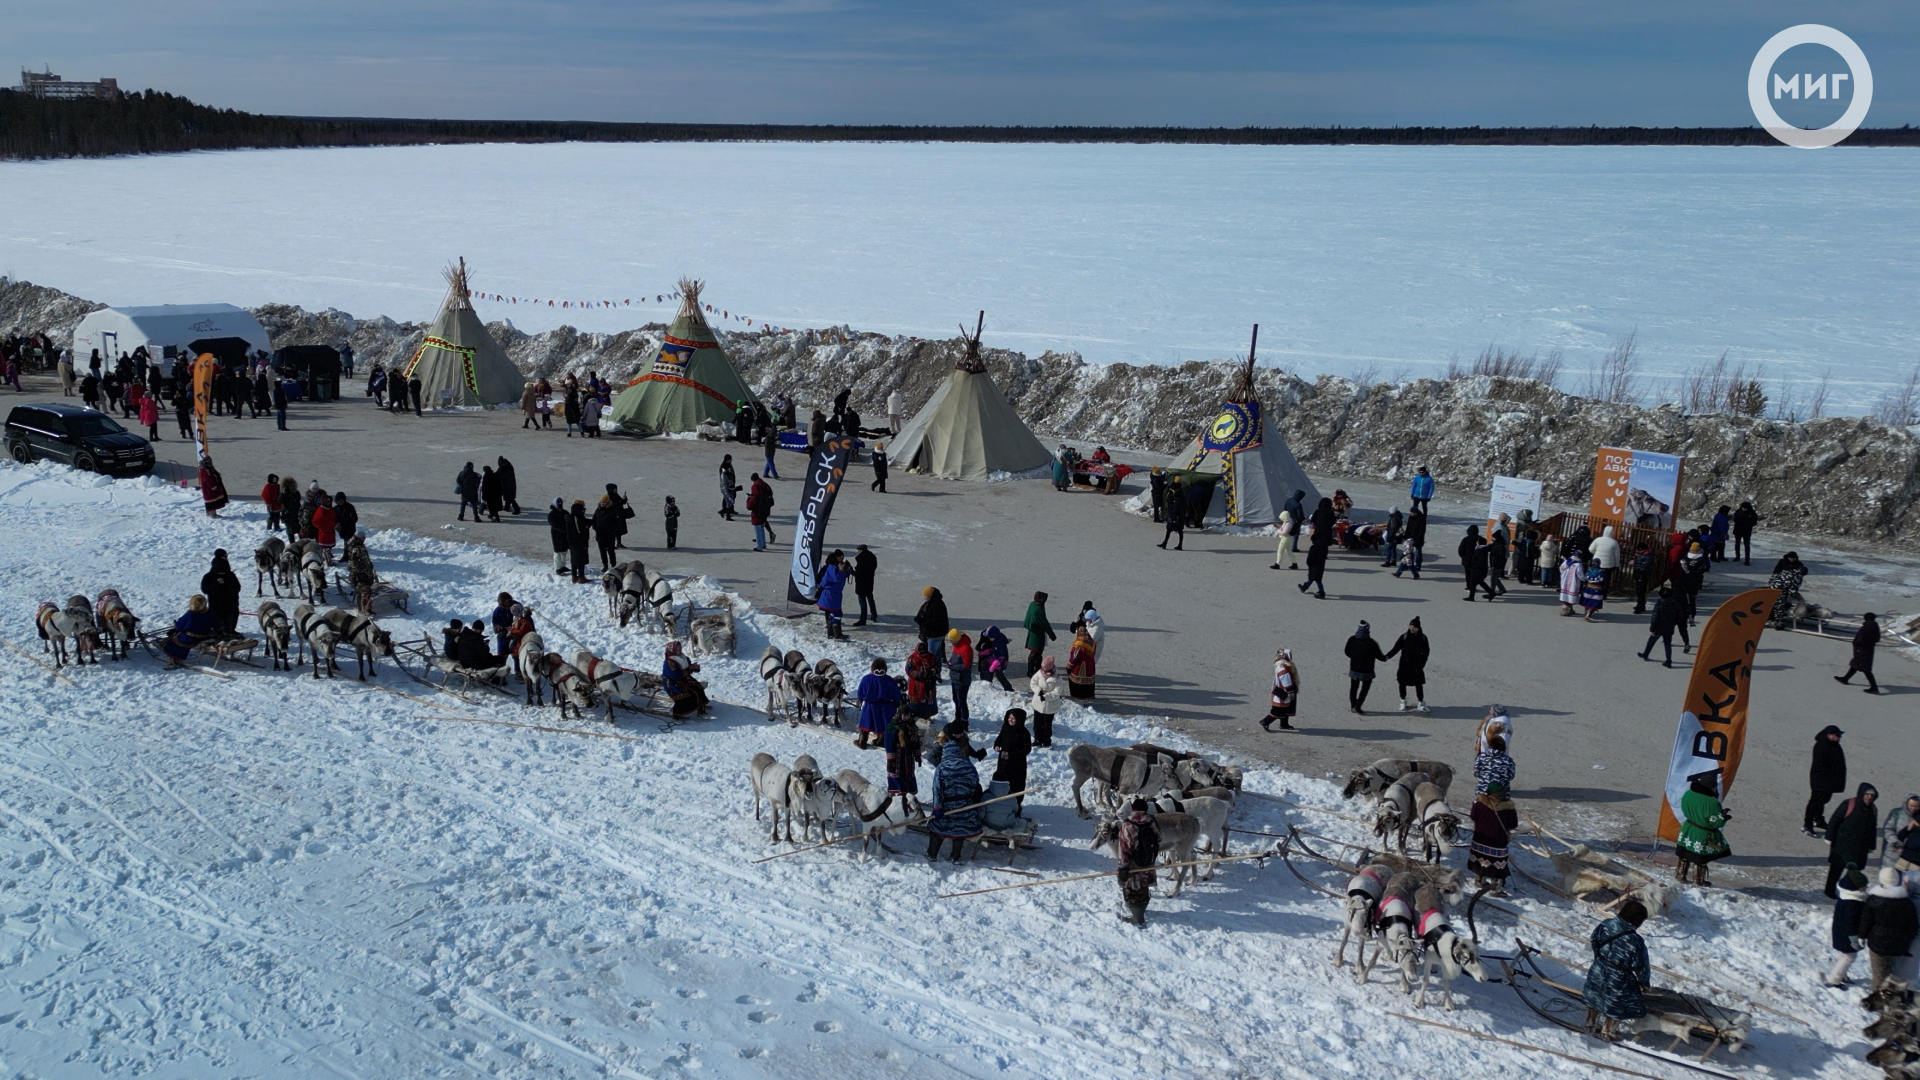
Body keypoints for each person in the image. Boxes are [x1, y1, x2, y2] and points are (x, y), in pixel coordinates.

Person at [1582, 900, 1652, 1040]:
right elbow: (1641, 965)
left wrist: (1600, 959)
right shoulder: (1635, 940)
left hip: (1598, 968)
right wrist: (1644, 982)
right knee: (1616, 1003)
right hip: (1618, 977)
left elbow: (1594, 940)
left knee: (1595, 996)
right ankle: (1608, 1032)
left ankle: (1590, 1024)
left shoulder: (1606, 924)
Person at [927, 723, 984, 863]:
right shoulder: (969, 767)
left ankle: (932, 854)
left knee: (938, 831)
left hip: (947, 805)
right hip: (964, 805)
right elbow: (975, 784)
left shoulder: (942, 769)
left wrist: (937, 808)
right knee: (960, 830)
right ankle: (955, 857)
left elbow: (937, 790)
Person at [1858, 868, 1919, 991]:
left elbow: (1866, 921)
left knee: (1879, 974)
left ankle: (1878, 999)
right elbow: (1913, 927)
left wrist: (1861, 936)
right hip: (1898, 947)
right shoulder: (1907, 903)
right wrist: (1906, 941)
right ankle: (1895, 994)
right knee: (1895, 972)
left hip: (1877, 945)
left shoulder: (1873, 900)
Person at [1674, 770, 1731, 887]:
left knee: (1685, 853)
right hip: (1702, 832)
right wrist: (1724, 817)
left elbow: (1684, 808)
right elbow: (1716, 822)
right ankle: (1698, 881)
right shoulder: (1712, 802)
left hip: (1688, 828)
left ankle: (1680, 875)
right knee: (1701, 858)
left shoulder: (1688, 794)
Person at [1828, 783, 1881, 898]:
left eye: (1872, 795)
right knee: (1836, 868)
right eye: (1867, 794)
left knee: (1854, 870)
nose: (1869, 797)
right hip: (1842, 843)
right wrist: (1829, 837)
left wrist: (1871, 845)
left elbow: (1872, 828)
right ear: (1861, 794)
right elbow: (1835, 819)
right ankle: (1829, 890)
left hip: (1861, 846)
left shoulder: (1873, 809)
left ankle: (1848, 890)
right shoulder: (1849, 804)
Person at [1115, 798, 1161, 927]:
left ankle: (1138, 919)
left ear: (1133, 810)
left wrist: (1123, 868)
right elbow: (1159, 838)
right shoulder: (1152, 821)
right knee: (1143, 888)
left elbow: (1124, 848)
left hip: (1133, 865)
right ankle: (1141, 911)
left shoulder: (1127, 825)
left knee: (1132, 890)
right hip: (1148, 862)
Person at [1468, 780, 1519, 894]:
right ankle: (1495, 888)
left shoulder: (1479, 804)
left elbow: (1473, 816)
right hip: (1498, 843)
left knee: (1480, 859)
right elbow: (1513, 824)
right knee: (1497, 865)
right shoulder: (1509, 808)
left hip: (1479, 841)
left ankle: (1479, 880)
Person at [1826, 864, 1871, 987]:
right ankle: (1834, 979)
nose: (1866, 888)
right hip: (1847, 937)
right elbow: (1851, 923)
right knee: (1848, 957)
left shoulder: (1846, 898)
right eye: (1863, 887)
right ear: (1855, 888)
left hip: (1841, 934)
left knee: (1844, 956)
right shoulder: (1852, 904)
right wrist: (1854, 939)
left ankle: (1842, 975)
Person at [1805, 725, 1847, 837]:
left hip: (1829, 781)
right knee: (1815, 802)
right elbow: (1821, 766)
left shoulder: (1833, 745)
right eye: (1837, 735)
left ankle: (1818, 819)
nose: (1839, 737)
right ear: (1829, 735)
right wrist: (1827, 778)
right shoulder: (1822, 746)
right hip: (1821, 780)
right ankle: (1807, 825)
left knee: (1824, 800)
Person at [1383, 617, 1431, 713]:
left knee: (1419, 684)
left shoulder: (1423, 638)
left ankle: (1421, 703)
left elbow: (1426, 652)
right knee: (1402, 683)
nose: (1412, 628)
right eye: (1410, 626)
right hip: (1404, 664)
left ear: (1418, 627)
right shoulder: (1404, 637)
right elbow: (1396, 648)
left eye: (1414, 627)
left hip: (1417, 665)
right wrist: (1387, 657)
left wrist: (1422, 664)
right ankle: (1403, 701)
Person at [1635, 585, 1691, 667]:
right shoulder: (1675, 605)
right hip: (1669, 627)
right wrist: (1673, 622)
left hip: (1659, 627)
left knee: (1651, 641)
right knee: (1667, 644)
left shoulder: (1659, 605)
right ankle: (1668, 660)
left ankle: (1646, 654)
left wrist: (1652, 628)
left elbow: (1655, 618)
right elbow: (1680, 616)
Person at [855, 658, 900, 750]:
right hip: (886, 707)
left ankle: (862, 741)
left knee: (866, 723)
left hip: (870, 706)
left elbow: (860, 693)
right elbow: (896, 696)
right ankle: (881, 741)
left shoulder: (866, 679)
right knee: (884, 724)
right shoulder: (890, 680)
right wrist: (896, 704)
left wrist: (861, 700)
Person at [993, 709, 1033, 811]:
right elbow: (1000, 737)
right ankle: (1000, 804)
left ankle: (1016, 805)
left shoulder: (1024, 733)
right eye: (1009, 718)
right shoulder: (1005, 727)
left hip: (1017, 764)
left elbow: (1026, 749)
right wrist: (997, 744)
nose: (1011, 720)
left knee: (1016, 785)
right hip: (1003, 762)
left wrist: (1011, 755)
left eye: (1013, 718)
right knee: (1002, 782)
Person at [161, 595, 216, 668]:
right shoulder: (209, 613)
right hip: (205, 636)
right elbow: (217, 625)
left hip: (190, 638)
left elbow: (179, 626)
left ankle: (175, 659)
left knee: (174, 640)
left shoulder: (190, 614)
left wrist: (177, 626)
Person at [1343, 620, 1386, 714]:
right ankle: (1358, 707)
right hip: (1368, 670)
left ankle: (1353, 705)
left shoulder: (1352, 639)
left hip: (1354, 668)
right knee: (1365, 688)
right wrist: (1386, 658)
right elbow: (1380, 656)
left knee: (1353, 688)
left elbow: (1346, 651)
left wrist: (1354, 658)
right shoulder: (1372, 642)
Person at [1835, 613, 1882, 694]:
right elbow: (1877, 639)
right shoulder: (1875, 627)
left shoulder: (1865, 628)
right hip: (1869, 650)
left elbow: (1859, 640)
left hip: (1862, 650)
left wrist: (1856, 644)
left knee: (1865, 669)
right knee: (1855, 664)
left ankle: (1874, 687)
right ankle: (1845, 678)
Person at [1297, 497, 1335, 598]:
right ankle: (1306, 586)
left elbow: (1313, 520)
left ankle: (1317, 591)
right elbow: (1333, 522)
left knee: (1314, 574)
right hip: (1325, 539)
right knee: (1317, 574)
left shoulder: (1318, 511)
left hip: (1319, 536)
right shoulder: (1331, 512)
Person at [199, 550, 243, 638]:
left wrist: (228, 591)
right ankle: (217, 633)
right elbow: (205, 590)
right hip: (216, 603)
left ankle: (230, 631)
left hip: (230, 602)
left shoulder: (230, 575)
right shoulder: (209, 576)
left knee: (232, 617)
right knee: (217, 619)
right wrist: (216, 584)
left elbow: (237, 587)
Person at [661, 640, 709, 717]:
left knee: (698, 687)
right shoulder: (669, 662)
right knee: (686, 694)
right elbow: (675, 675)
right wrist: (689, 669)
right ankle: (677, 714)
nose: (680, 651)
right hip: (672, 683)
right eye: (678, 649)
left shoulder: (682, 657)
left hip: (684, 679)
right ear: (673, 650)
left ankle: (700, 708)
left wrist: (694, 667)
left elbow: (688, 666)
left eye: (680, 648)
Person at [1262, 648, 1299, 732]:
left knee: (1286, 709)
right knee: (1279, 710)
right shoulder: (1283, 669)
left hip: (1279, 691)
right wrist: (1290, 692)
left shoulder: (1281, 666)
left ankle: (1284, 724)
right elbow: (1286, 681)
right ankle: (1265, 721)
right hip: (1282, 692)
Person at [1028, 655, 1062, 747]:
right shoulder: (1039, 673)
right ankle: (1037, 739)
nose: (1043, 670)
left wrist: (1046, 696)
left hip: (1050, 706)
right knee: (1037, 724)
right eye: (1042, 667)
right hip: (1038, 704)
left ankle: (1047, 741)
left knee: (1047, 726)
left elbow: (1057, 692)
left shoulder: (1057, 678)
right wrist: (1038, 691)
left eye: (1045, 668)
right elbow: (1033, 683)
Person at [1767, 551, 1808, 627]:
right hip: (1779, 589)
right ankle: (1778, 623)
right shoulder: (1798, 577)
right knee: (1780, 605)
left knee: (1771, 603)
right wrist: (1798, 597)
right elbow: (1792, 591)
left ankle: (1768, 616)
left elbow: (1775, 575)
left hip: (1772, 586)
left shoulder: (1787, 571)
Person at [916, 587, 950, 674]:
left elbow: (933, 622)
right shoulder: (933, 603)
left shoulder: (936, 606)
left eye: (926, 596)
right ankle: (937, 673)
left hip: (935, 635)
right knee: (937, 654)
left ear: (931, 596)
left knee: (931, 657)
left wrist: (921, 621)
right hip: (937, 634)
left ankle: (932, 675)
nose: (925, 598)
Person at [817, 550, 849, 639]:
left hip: (834, 594)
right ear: (837, 557)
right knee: (837, 613)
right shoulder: (832, 567)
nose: (842, 559)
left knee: (834, 613)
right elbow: (836, 578)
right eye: (841, 557)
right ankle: (837, 635)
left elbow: (842, 576)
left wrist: (847, 570)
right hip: (831, 594)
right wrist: (842, 570)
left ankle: (831, 633)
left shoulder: (835, 566)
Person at [1023, 591, 1055, 677]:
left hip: (1032, 632)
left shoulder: (1032, 605)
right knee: (1036, 653)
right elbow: (1044, 622)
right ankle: (1032, 671)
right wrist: (1051, 634)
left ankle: (1032, 670)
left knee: (1035, 653)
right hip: (1037, 635)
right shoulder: (1039, 609)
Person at [946, 628, 973, 720]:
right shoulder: (956, 645)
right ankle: (958, 718)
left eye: (951, 640)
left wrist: (952, 666)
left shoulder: (966, 649)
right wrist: (950, 661)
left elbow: (966, 666)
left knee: (961, 702)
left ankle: (964, 720)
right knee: (956, 700)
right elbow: (954, 658)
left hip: (962, 680)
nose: (950, 642)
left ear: (957, 639)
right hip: (955, 678)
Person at [976, 625, 1014, 692]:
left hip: (1001, 661)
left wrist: (993, 667)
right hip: (995, 656)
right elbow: (993, 650)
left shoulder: (1000, 644)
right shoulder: (996, 640)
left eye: (989, 637)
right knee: (984, 663)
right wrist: (983, 652)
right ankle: (987, 681)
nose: (989, 638)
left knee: (999, 675)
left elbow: (1001, 657)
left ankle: (1008, 688)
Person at [1887, 795, 1920, 871]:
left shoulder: (1917, 817)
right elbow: (1888, 831)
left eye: (1916, 806)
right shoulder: (1897, 813)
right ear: (1906, 804)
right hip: (1892, 854)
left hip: (1907, 860)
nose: (1913, 808)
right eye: (1911, 805)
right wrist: (1897, 845)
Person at [1393, 507, 1427, 579]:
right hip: (1410, 538)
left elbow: (1421, 531)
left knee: (1416, 554)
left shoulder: (1421, 519)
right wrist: (1405, 535)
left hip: (1417, 539)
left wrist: (1417, 540)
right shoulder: (1411, 518)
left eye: (1412, 512)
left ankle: (1417, 568)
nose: (1410, 514)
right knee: (1405, 561)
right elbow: (1408, 527)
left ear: (1416, 513)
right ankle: (1398, 573)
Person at [591, 495, 623, 570]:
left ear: (608, 502)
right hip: (600, 535)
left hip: (609, 536)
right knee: (602, 552)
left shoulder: (612, 511)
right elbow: (594, 520)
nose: (602, 504)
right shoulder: (598, 510)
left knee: (611, 551)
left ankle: (613, 565)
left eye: (604, 502)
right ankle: (605, 565)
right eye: (601, 502)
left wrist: (611, 530)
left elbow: (617, 523)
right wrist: (595, 528)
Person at [1067, 624, 1097, 700]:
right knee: (1088, 682)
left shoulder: (1079, 643)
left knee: (1078, 683)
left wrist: (1069, 665)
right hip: (1090, 666)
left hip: (1080, 667)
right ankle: (1088, 696)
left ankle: (1078, 697)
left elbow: (1074, 656)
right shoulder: (1091, 641)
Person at [567, 499, 594, 583]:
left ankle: (574, 576)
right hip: (577, 543)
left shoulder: (576, 516)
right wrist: (583, 543)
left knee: (574, 560)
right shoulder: (575, 518)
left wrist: (591, 522)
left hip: (573, 543)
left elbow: (584, 523)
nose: (583, 510)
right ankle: (581, 577)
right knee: (580, 560)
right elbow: (577, 531)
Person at [852, 544, 879, 626]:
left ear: (861, 550)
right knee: (870, 599)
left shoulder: (862, 559)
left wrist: (851, 570)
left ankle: (863, 619)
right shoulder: (872, 557)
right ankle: (874, 615)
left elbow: (859, 574)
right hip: (869, 581)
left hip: (861, 583)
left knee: (862, 602)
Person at [747, 474, 775, 551]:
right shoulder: (764, 485)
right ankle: (763, 544)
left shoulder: (755, 487)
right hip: (765, 510)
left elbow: (751, 505)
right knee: (762, 527)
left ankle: (760, 546)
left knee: (758, 529)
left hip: (757, 512)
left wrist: (748, 500)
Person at [1590, 526, 1622, 591]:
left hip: (1597, 563)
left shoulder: (1598, 540)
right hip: (1609, 565)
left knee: (1596, 576)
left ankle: (1594, 590)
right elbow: (1617, 555)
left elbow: (1591, 549)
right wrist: (1617, 565)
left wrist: (1596, 554)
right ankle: (1604, 593)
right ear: (1612, 533)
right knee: (1606, 579)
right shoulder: (1614, 542)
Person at [546, 498, 571, 575]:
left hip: (565, 535)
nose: (560, 504)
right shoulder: (551, 514)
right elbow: (554, 525)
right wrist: (564, 530)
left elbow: (570, 520)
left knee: (564, 551)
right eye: (558, 503)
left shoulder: (565, 512)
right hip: (556, 535)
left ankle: (563, 566)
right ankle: (558, 568)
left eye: (561, 503)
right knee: (557, 552)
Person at [1557, 549, 1585, 616]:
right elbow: (1580, 575)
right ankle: (1566, 610)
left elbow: (1561, 568)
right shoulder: (1578, 565)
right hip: (1573, 582)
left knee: (1565, 594)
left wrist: (1563, 575)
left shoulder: (1567, 561)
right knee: (1571, 595)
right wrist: (1584, 579)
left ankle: (1569, 608)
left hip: (1565, 581)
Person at [1158, 483, 1186, 550]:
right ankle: (1177, 545)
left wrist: (1174, 515)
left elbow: (1175, 507)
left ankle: (1166, 543)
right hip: (1179, 516)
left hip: (1176, 516)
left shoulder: (1177, 497)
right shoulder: (1181, 494)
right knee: (1177, 530)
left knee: (1171, 529)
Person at [311, 494, 338, 562]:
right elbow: (315, 521)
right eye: (327, 501)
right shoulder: (321, 510)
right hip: (324, 533)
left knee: (329, 547)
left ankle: (328, 555)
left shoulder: (331, 509)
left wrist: (334, 525)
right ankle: (327, 560)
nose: (329, 503)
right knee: (325, 548)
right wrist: (324, 528)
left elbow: (334, 518)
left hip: (330, 532)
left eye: (330, 501)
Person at [719, 454, 739, 520]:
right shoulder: (723, 467)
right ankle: (725, 510)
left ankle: (731, 509)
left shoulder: (729, 465)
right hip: (726, 486)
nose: (731, 460)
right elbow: (724, 479)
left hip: (731, 484)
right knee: (727, 498)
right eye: (730, 459)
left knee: (733, 496)